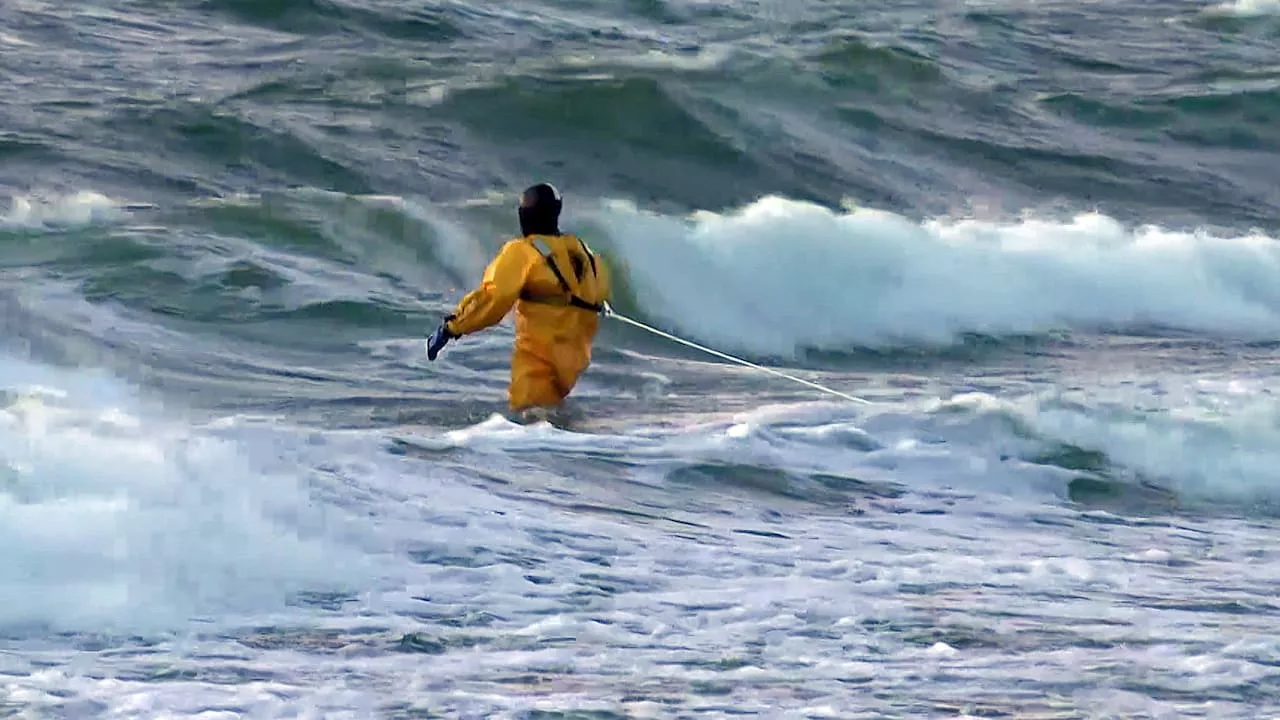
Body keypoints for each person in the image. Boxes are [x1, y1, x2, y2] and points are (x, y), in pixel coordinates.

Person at [424, 183, 612, 413]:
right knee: (552, 422)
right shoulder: (583, 252)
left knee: (529, 419)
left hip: (538, 362)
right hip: (572, 363)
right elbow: (599, 293)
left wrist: (452, 327)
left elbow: (494, 298)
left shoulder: (523, 251)